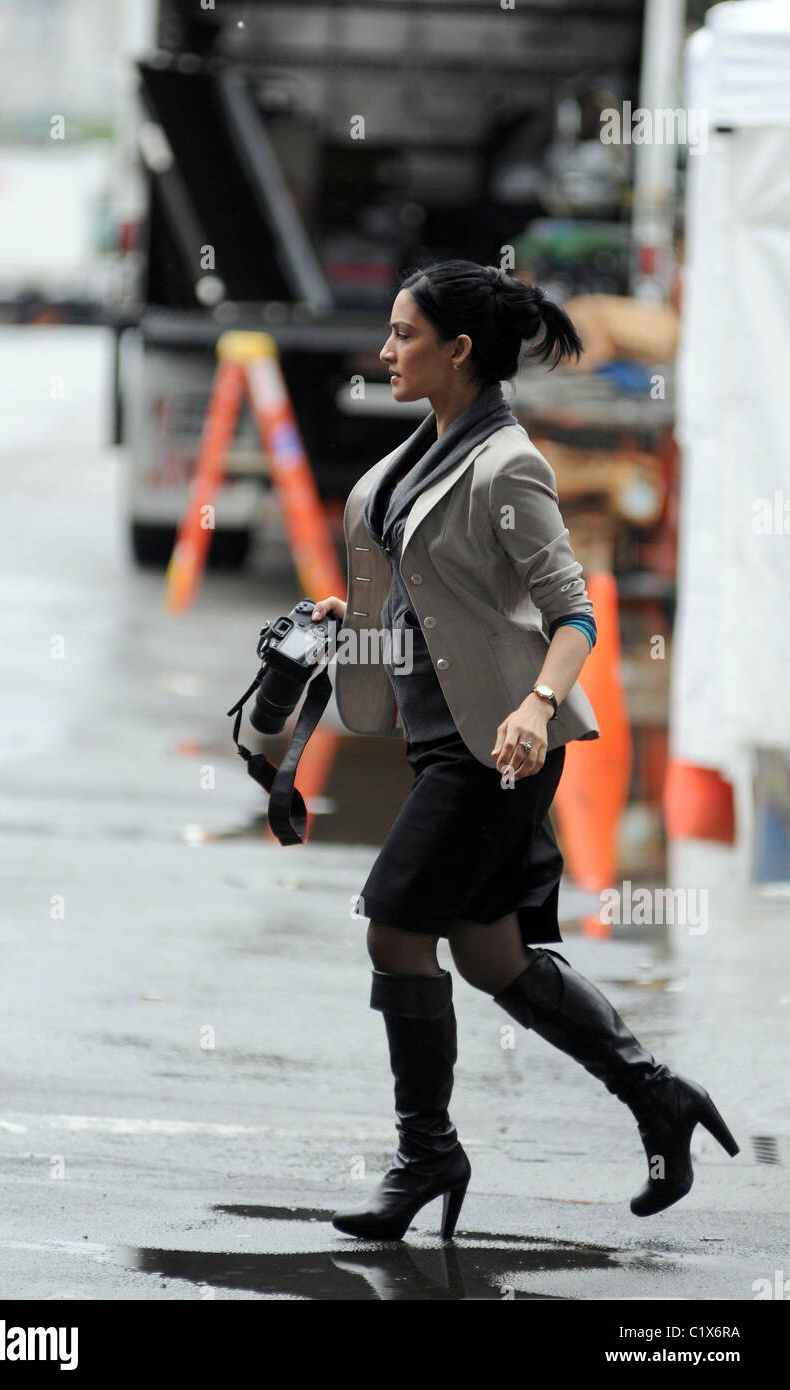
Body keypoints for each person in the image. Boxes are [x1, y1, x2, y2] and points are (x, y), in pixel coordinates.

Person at [310, 258, 739, 1241]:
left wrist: (540, 706)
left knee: (392, 928)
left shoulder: (508, 465)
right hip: (442, 733)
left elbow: (572, 612)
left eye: (403, 335)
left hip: (498, 745)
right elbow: (428, 587)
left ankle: (426, 1155)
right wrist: (343, 622)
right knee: (491, 952)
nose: (384, 352)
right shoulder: (419, 454)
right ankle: (656, 1096)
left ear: (457, 350)